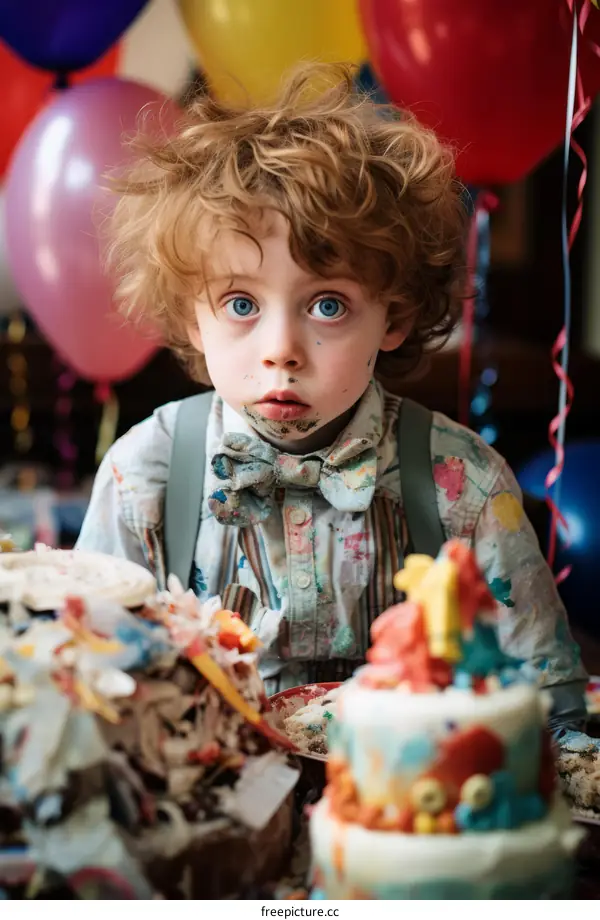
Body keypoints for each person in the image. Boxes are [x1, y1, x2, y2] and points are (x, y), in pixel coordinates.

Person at [77, 64, 587, 739]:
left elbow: (548, 713)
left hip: (410, 817)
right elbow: (88, 689)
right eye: (240, 303)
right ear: (192, 316)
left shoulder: (461, 485)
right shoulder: (146, 474)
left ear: (394, 315)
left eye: (327, 304)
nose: (281, 349)